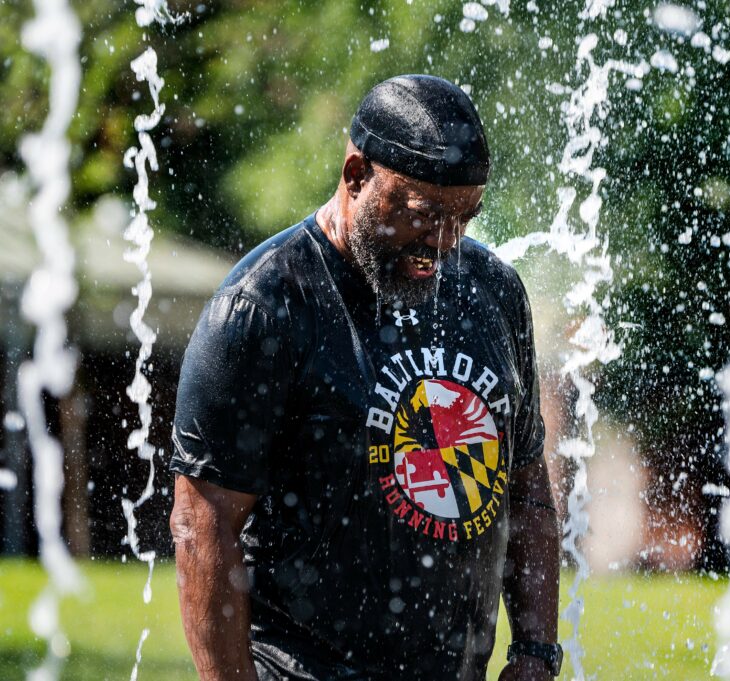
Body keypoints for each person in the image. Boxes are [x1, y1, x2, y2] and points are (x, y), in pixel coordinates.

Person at [168, 74, 562, 681]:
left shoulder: (493, 292)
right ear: (356, 175)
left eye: (465, 217)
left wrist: (535, 650)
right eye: (425, 215)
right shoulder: (265, 307)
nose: (444, 243)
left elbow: (526, 481)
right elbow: (204, 526)